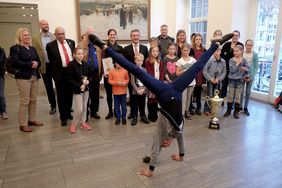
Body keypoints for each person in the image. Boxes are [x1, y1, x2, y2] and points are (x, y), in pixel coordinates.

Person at [88, 32, 233, 176]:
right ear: (169, 141)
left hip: (163, 90)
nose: (166, 144)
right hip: (175, 88)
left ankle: (105, 47)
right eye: (167, 144)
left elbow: (158, 145)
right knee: (197, 66)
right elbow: (175, 141)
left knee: (135, 70)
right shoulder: (177, 131)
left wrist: (156, 166)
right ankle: (217, 44)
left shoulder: (166, 127)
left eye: (165, 143)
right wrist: (177, 157)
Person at [10, 28, 43, 132]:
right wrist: (30, 64)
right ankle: (23, 124)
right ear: (20, 37)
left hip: (35, 76)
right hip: (23, 78)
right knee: (25, 101)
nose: (27, 37)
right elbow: (15, 62)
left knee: (33, 100)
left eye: (28, 35)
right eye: (24, 35)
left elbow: (38, 60)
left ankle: (31, 119)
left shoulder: (32, 48)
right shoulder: (15, 48)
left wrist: (37, 64)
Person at [46, 27, 75, 126]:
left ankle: (68, 113)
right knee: (61, 95)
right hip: (60, 73)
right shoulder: (50, 45)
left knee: (70, 94)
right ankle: (63, 117)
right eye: (59, 34)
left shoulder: (71, 42)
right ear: (55, 34)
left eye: (63, 33)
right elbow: (51, 61)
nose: (61, 35)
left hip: (70, 72)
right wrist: (54, 74)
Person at [33, 19, 57, 115]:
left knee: (60, 86)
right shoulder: (35, 38)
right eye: (43, 24)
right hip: (44, 66)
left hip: (55, 66)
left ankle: (64, 105)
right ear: (40, 26)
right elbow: (34, 52)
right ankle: (53, 106)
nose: (46, 25)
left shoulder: (54, 36)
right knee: (49, 87)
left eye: (47, 24)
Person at [123, 29, 149, 119]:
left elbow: (146, 63)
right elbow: (125, 63)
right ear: (131, 37)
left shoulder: (144, 48)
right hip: (132, 76)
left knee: (142, 98)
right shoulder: (126, 49)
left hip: (142, 76)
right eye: (133, 35)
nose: (135, 37)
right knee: (132, 96)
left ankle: (142, 114)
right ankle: (132, 112)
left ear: (139, 36)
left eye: (137, 35)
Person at [66, 46, 91, 133]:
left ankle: (83, 122)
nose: (81, 55)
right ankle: (73, 124)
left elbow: (90, 75)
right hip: (77, 90)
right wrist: (79, 86)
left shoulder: (85, 64)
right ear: (74, 55)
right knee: (79, 108)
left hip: (86, 89)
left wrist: (88, 81)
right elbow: (69, 80)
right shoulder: (71, 65)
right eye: (78, 54)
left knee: (84, 107)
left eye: (82, 54)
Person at [223, 45, 250, 119]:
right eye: (234, 51)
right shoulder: (231, 60)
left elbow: (248, 69)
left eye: (237, 51)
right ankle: (228, 110)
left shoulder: (244, 60)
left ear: (241, 51)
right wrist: (237, 63)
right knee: (230, 96)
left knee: (238, 97)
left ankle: (236, 111)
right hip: (231, 80)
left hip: (240, 81)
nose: (235, 52)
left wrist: (245, 69)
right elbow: (232, 70)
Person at [103, 29, 124, 119]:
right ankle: (110, 111)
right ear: (108, 36)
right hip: (107, 73)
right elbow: (101, 60)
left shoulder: (120, 48)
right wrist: (103, 72)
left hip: (117, 74)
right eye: (110, 34)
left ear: (116, 35)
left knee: (117, 93)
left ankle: (117, 110)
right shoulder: (103, 47)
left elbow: (123, 61)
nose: (112, 36)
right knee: (108, 93)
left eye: (114, 34)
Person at [84, 29, 103, 119]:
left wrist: (101, 73)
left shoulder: (98, 47)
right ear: (86, 35)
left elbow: (101, 61)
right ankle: (86, 113)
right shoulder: (81, 46)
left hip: (96, 74)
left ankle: (94, 112)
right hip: (86, 75)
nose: (91, 36)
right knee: (86, 95)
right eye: (89, 34)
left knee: (95, 95)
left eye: (93, 34)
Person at [220, 30, 244, 101]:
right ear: (231, 36)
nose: (235, 36)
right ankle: (222, 101)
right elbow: (222, 55)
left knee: (233, 86)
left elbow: (239, 57)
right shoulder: (227, 44)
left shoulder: (240, 45)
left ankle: (232, 102)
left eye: (237, 35)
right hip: (225, 67)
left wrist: (226, 55)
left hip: (235, 69)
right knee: (224, 84)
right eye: (233, 35)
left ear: (239, 37)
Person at [203, 47, 226, 116]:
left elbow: (224, 72)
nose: (216, 52)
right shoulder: (210, 60)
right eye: (215, 51)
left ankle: (213, 109)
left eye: (218, 51)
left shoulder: (223, 61)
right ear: (213, 52)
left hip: (217, 81)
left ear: (220, 52)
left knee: (215, 95)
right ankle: (206, 109)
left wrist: (219, 79)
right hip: (211, 81)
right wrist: (210, 79)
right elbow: (204, 70)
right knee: (209, 95)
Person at [176, 44, 196, 120]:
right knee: (183, 99)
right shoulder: (179, 61)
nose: (186, 52)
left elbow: (196, 71)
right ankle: (182, 113)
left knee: (188, 98)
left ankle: (187, 111)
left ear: (189, 51)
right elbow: (177, 73)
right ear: (181, 51)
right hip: (183, 83)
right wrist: (183, 71)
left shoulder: (193, 60)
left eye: (187, 50)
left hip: (191, 82)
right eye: (184, 50)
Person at [144, 46, 164, 122]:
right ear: (150, 52)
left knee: (156, 99)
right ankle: (150, 115)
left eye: (156, 51)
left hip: (158, 83)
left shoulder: (160, 61)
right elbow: (149, 72)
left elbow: (162, 71)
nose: (155, 53)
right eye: (153, 51)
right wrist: (153, 82)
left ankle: (155, 114)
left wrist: (160, 81)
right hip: (151, 83)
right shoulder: (148, 61)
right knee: (150, 99)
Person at [240, 39, 259, 115]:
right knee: (241, 92)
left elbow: (256, 67)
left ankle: (245, 107)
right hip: (242, 75)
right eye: (248, 45)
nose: (249, 46)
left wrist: (251, 76)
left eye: (250, 45)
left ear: (252, 46)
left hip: (250, 76)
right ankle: (240, 107)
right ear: (245, 45)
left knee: (248, 92)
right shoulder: (242, 54)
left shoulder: (255, 55)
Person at [130, 53, 150, 126]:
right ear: (135, 61)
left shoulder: (144, 70)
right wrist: (137, 90)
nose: (140, 62)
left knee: (142, 104)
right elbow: (132, 82)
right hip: (136, 91)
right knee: (135, 105)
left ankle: (143, 116)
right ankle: (135, 117)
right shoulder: (132, 69)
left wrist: (143, 89)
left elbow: (146, 81)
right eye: (138, 60)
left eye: (141, 60)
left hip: (143, 91)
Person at [190, 33, 206, 115]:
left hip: (201, 72)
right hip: (193, 71)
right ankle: (190, 107)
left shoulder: (204, 50)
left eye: (199, 39)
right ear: (194, 40)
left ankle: (199, 107)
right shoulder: (191, 49)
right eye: (196, 39)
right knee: (192, 90)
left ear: (201, 40)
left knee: (199, 91)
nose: (198, 41)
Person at [0, 46, 8, 120]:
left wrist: (3, 71)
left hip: (0, 75)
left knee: (1, 95)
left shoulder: (1, 50)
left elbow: (3, 62)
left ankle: (3, 112)